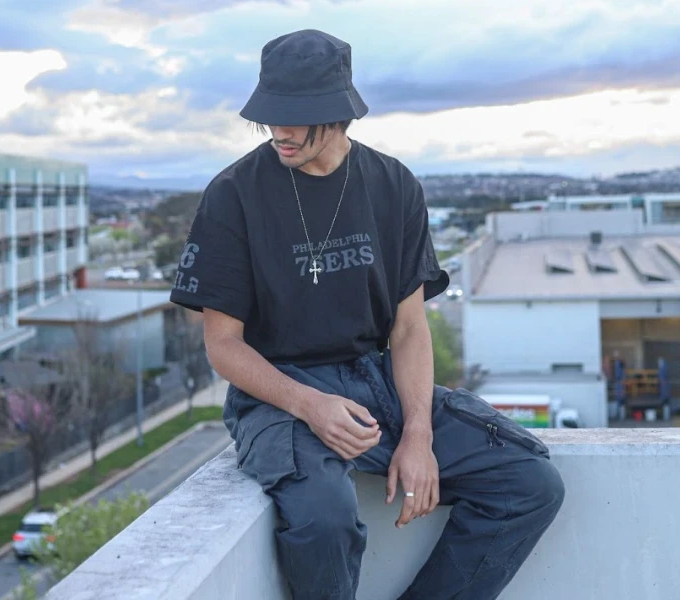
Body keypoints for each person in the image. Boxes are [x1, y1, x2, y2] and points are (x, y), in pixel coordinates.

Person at [170, 29, 565, 600]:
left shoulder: (393, 184)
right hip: (278, 395)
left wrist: (420, 435)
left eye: (294, 118)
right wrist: (309, 404)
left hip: (373, 381)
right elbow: (223, 345)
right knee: (324, 519)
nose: (278, 130)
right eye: (269, 115)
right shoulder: (234, 193)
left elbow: (408, 329)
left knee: (529, 483)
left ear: (338, 115)